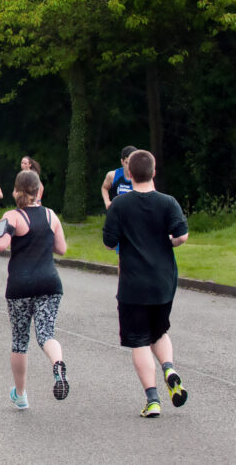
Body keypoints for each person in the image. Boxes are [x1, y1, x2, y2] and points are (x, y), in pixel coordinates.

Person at [102, 150, 189, 418]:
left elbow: (109, 240)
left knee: (139, 341)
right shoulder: (168, 202)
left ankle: (153, 400)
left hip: (133, 284)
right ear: (153, 172)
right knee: (159, 332)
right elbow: (181, 236)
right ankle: (169, 368)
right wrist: (170, 241)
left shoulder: (120, 205)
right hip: (163, 282)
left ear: (129, 173)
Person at [0, 170, 70, 409]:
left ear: (16, 191)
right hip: (50, 283)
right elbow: (62, 249)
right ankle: (57, 363)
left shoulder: (12, 217)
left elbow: (1, 245)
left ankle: (21, 393)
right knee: (46, 334)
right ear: (39, 191)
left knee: (20, 341)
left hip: (20, 285)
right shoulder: (51, 216)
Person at [102, 145, 138, 209]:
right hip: (117, 213)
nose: (130, 166)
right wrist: (107, 202)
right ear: (122, 162)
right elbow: (104, 188)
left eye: (133, 163)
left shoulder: (142, 177)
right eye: (127, 163)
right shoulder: (113, 175)